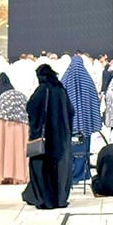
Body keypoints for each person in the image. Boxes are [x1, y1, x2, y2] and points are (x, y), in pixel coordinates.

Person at [22, 64, 74, 209]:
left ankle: (45, 199)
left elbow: (31, 108)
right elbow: (71, 111)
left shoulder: (41, 90)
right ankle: (60, 199)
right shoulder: (60, 89)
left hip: (44, 139)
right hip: (61, 138)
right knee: (60, 169)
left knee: (42, 168)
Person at [61, 54, 102, 184]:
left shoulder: (65, 80)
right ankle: (82, 173)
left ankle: (69, 174)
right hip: (85, 125)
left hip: (69, 125)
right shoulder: (88, 81)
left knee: (71, 149)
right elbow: (94, 102)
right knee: (83, 149)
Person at [0, 85, 29, 185]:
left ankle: (2, 174)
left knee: (3, 146)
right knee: (19, 148)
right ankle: (19, 174)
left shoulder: (2, 97)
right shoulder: (21, 97)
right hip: (22, 121)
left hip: (2, 122)